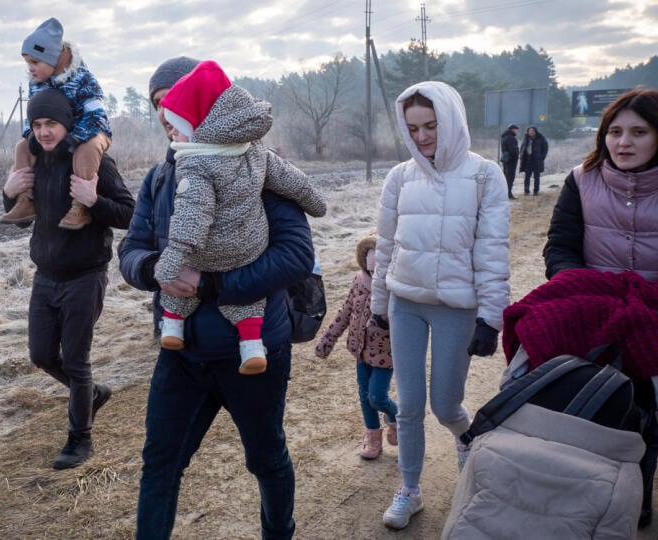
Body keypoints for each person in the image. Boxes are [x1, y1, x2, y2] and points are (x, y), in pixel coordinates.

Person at [119, 56, 314, 540]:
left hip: (254, 349)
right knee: (160, 464)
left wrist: (211, 287)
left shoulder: (254, 168)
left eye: (172, 103)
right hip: (181, 353)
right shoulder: (159, 178)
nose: (165, 116)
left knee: (266, 459)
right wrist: (151, 271)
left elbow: (296, 255)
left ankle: (279, 532)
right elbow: (131, 250)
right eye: (156, 107)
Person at [370, 81, 510, 530]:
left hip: (456, 308)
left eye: (431, 125)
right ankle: (409, 490)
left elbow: (492, 249)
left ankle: (465, 436)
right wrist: (378, 303)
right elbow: (386, 245)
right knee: (409, 405)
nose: (423, 136)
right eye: (413, 128)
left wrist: (491, 317)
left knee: (445, 405)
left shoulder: (486, 175)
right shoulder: (398, 177)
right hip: (406, 303)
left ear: (450, 120)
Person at [155, 60, 326, 375]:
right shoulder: (255, 151)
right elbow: (293, 180)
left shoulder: (194, 164)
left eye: (177, 124)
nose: (171, 131)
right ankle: (250, 347)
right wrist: (317, 203)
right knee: (248, 306)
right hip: (248, 251)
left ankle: (172, 327)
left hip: (204, 255)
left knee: (183, 276)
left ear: (197, 122)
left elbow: (192, 217)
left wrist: (173, 258)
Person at [543, 87, 658, 528]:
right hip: (595, 314)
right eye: (614, 132)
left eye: (639, 132)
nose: (623, 142)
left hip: (653, 317)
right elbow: (560, 246)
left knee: (649, 412)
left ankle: (640, 494)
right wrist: (579, 290)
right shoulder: (582, 178)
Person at [2, 87, 134, 470]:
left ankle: (80, 438)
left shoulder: (93, 164)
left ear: (67, 124)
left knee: (76, 359)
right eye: (37, 124)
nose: (44, 132)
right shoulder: (34, 163)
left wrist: (94, 201)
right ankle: (91, 394)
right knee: (41, 354)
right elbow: (19, 214)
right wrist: (8, 193)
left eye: (52, 124)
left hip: (85, 275)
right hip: (45, 276)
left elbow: (128, 213)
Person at [0, 17, 112, 230]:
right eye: (27, 63)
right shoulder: (36, 84)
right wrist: (29, 136)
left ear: (52, 59)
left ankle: (80, 206)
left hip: (91, 132)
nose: (30, 69)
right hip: (59, 137)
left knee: (86, 150)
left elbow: (97, 116)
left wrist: (75, 138)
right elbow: (32, 117)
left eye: (35, 62)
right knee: (21, 147)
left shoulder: (83, 78)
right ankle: (25, 200)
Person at [314, 233, 397, 460]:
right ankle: (372, 436)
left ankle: (396, 417)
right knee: (364, 395)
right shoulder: (358, 282)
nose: (373, 274)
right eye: (369, 269)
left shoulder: (393, 287)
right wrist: (326, 341)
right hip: (360, 352)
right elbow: (344, 312)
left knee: (377, 396)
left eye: (376, 270)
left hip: (385, 354)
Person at [519, 125, 548, 196]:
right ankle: (526, 191)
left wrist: (541, 157)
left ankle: (536, 191)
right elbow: (522, 147)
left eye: (532, 131)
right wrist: (521, 155)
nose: (531, 132)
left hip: (536, 160)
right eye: (529, 131)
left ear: (535, 131)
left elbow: (545, 148)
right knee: (527, 176)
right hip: (527, 160)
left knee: (536, 177)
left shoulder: (541, 138)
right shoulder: (526, 138)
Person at [499, 123, 519, 199]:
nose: (517, 132)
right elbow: (512, 150)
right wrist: (517, 155)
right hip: (511, 160)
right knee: (510, 177)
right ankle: (508, 193)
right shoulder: (511, 138)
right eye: (516, 130)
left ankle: (506, 193)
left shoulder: (504, 137)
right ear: (512, 129)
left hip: (506, 159)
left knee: (506, 176)